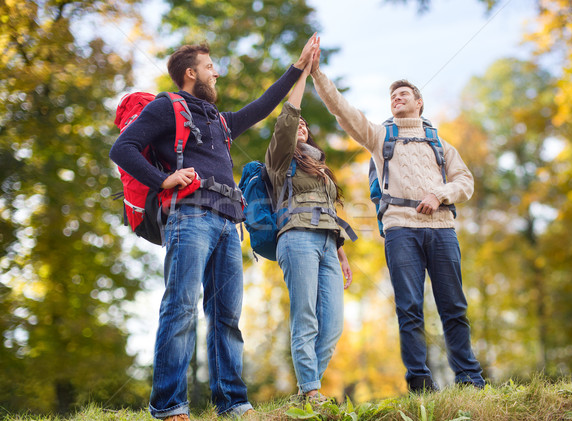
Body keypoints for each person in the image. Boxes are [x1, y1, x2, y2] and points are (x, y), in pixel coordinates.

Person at [109, 35, 319, 420]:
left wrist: (299, 66)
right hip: (189, 217)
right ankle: (170, 406)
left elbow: (263, 105)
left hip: (227, 223)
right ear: (191, 74)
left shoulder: (220, 121)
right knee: (181, 307)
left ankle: (233, 403)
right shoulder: (166, 107)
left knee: (226, 316)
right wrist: (164, 180)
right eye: (210, 67)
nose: (216, 72)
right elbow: (121, 148)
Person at [309, 44, 484, 392]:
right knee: (409, 308)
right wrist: (316, 74)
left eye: (403, 94)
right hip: (400, 229)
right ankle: (419, 382)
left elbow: (466, 181)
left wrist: (440, 194)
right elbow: (343, 111)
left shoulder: (440, 144)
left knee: (454, 306)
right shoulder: (379, 136)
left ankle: (470, 378)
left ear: (419, 102)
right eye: (392, 96)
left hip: (443, 229)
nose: (396, 99)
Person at [264, 49, 352, 402]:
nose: (300, 125)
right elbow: (288, 115)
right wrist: (303, 73)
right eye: (296, 124)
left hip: (329, 243)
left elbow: (330, 209)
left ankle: (304, 391)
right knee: (306, 317)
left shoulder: (321, 167)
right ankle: (312, 391)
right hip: (296, 238)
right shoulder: (280, 159)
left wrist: (342, 253)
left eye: (305, 125)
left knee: (331, 326)